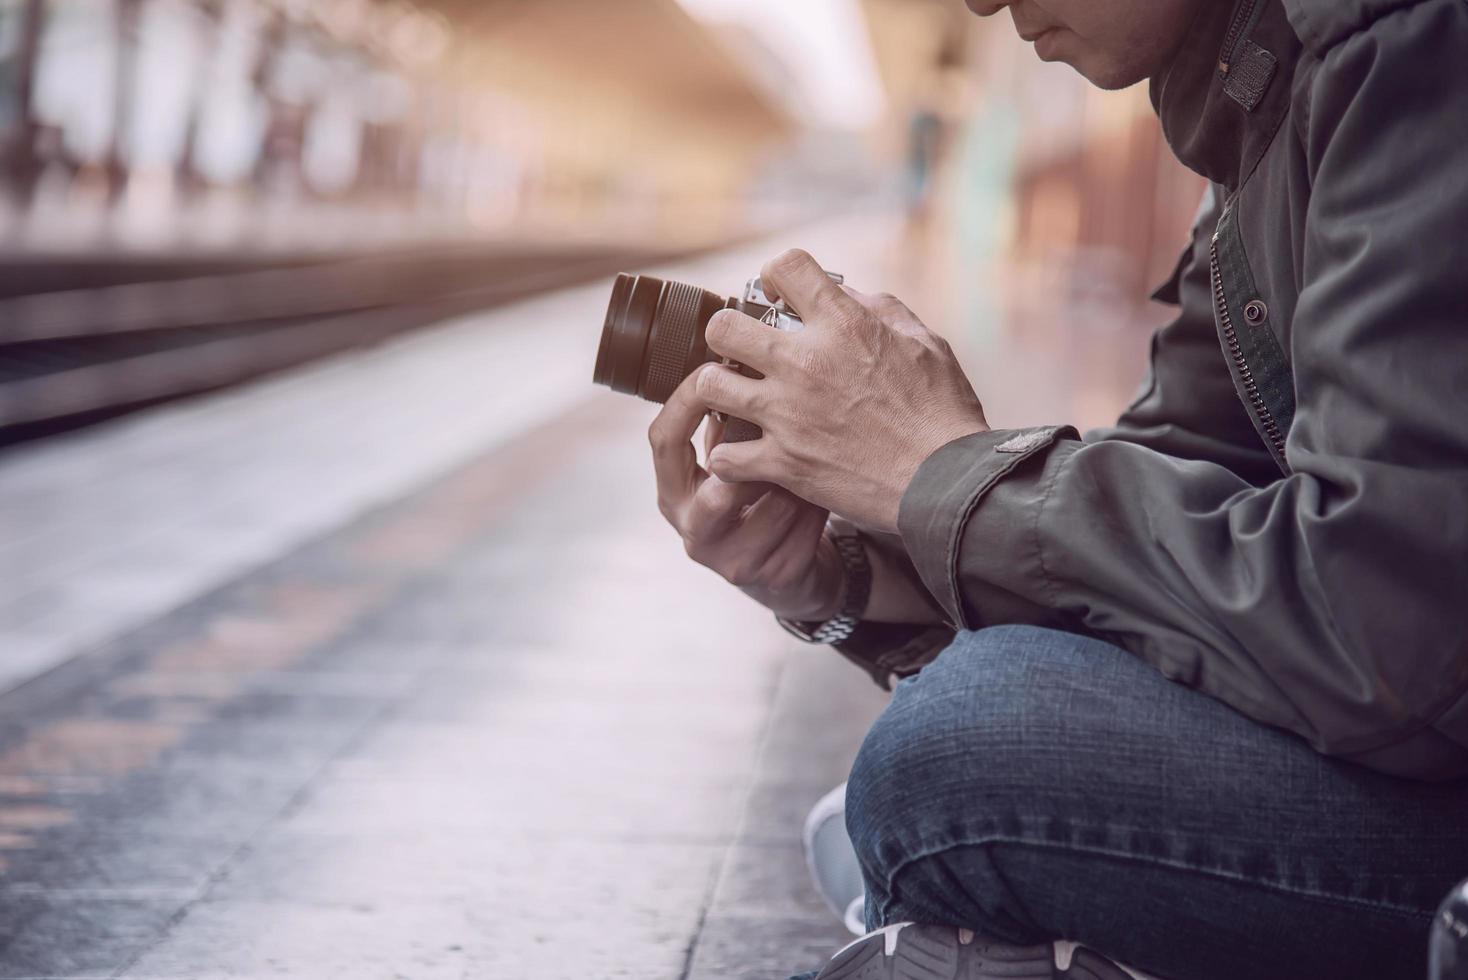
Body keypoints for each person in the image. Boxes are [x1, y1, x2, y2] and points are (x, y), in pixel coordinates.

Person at [646, 0, 1468, 977]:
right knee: (966, 744)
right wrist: (843, 580)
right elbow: (1182, 486)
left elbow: (1389, 633)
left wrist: (938, 467)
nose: (982, 2)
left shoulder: (1400, 33)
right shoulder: (1254, 101)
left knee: (961, 755)